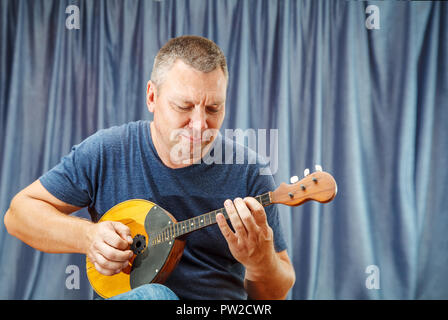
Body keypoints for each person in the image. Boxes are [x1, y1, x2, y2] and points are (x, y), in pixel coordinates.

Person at [4, 35, 295, 300]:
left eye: (213, 109)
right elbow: (18, 215)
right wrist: (88, 237)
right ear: (152, 97)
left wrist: (260, 262)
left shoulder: (248, 170)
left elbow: (274, 295)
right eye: (184, 106)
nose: (199, 126)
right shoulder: (108, 150)